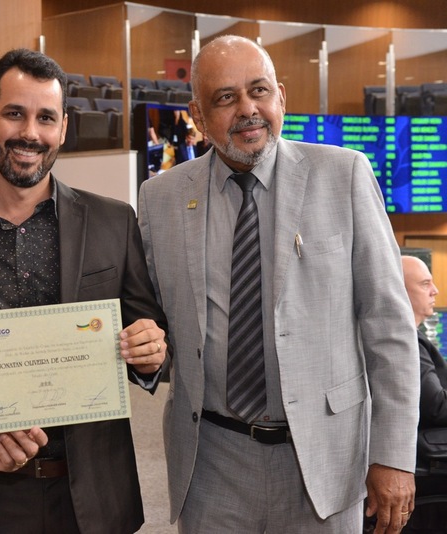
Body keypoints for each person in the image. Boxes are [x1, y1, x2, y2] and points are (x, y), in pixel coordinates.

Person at [138, 35, 419, 534]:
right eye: (226, 98)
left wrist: (394, 455)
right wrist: (144, 352)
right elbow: (153, 325)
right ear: (198, 116)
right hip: (212, 465)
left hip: (324, 461)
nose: (248, 109)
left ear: (281, 97)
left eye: (259, 90)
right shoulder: (160, 199)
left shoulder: (344, 174)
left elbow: (389, 326)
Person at [0, 48, 168, 534]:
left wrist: (151, 352)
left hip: (90, 497)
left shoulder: (114, 221)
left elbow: (151, 333)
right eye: (14, 113)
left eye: (46, 118)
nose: (30, 133)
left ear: (63, 127)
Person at [400, 255, 447, 533]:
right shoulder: (405, 339)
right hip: (424, 462)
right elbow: (436, 406)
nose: (435, 291)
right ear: (399, 289)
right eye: (425, 284)